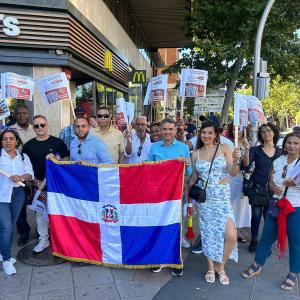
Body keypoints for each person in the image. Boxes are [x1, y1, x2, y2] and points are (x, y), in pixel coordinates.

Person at [242, 132, 300, 290]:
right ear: (284, 144)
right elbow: (271, 180)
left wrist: (294, 185)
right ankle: (257, 264)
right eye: (289, 143)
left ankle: (293, 273)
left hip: (296, 206)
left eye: (296, 143)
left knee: (295, 242)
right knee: (266, 236)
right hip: (276, 203)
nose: (292, 146)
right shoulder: (279, 160)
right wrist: (273, 187)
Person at [189, 120, 241, 285]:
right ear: (200, 134)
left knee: (231, 236)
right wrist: (187, 195)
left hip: (222, 198)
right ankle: (211, 268)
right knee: (209, 234)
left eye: (210, 133)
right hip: (205, 200)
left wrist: (236, 160)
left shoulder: (225, 148)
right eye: (204, 132)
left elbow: (233, 172)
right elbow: (195, 177)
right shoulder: (195, 153)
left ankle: (221, 265)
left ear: (216, 134)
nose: (206, 136)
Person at [148, 118, 192, 276]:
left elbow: (188, 172)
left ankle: (175, 260)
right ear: (160, 130)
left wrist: (186, 164)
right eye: (164, 129)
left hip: (175, 195)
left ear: (175, 131)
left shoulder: (183, 148)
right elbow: (148, 169)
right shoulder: (153, 147)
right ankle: (158, 258)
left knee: (175, 226)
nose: (167, 132)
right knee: (158, 225)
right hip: (158, 194)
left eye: (170, 129)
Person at [23, 115, 69, 253]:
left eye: (42, 125)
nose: (40, 128)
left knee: (59, 212)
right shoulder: (28, 146)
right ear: (33, 128)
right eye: (36, 126)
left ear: (47, 125)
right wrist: (34, 180)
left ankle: (61, 240)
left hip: (57, 185)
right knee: (40, 214)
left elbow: (66, 157)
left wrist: (57, 159)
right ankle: (44, 240)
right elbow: (25, 166)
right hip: (39, 185)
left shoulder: (57, 142)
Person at [243, 123, 281, 253]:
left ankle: (265, 243)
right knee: (256, 217)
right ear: (260, 135)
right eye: (264, 131)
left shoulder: (280, 152)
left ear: (274, 133)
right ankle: (254, 240)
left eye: (269, 131)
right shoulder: (256, 150)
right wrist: (247, 150)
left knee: (269, 218)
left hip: (273, 190)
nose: (267, 133)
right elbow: (246, 166)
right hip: (257, 188)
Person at [0, 129, 34, 275]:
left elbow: (30, 174)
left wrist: (21, 177)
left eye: (11, 139)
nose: (8, 141)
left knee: (10, 225)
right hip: (1, 195)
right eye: (5, 139)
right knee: (6, 227)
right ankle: (7, 260)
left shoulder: (22, 156)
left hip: (18, 194)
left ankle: (2, 253)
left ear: (17, 141)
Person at [9, 105, 35, 246]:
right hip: (17, 175)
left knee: (38, 204)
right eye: (19, 113)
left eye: (25, 113)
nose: (22, 115)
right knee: (19, 208)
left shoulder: (35, 129)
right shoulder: (10, 131)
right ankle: (23, 232)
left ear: (28, 114)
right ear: (15, 115)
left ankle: (40, 231)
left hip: (33, 174)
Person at [228, 124, 252, 243]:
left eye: (239, 129)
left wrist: (246, 149)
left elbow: (247, 164)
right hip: (229, 177)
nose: (236, 131)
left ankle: (236, 230)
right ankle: (231, 231)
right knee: (230, 205)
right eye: (234, 129)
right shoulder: (228, 143)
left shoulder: (248, 143)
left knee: (239, 207)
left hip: (242, 178)